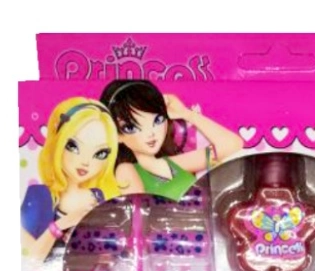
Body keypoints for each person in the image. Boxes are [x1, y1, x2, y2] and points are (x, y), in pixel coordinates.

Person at [100, 79, 243, 201]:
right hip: (168, 226)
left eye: (158, 120)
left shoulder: (175, 164)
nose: (151, 133)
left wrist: (187, 114)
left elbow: (232, 146)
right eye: (130, 127)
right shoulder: (126, 170)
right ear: (116, 135)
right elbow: (138, 213)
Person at [20, 98, 121, 261]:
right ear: (58, 141)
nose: (86, 162)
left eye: (100, 153)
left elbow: (110, 253)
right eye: (73, 146)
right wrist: (61, 225)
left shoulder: (98, 196)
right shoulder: (39, 196)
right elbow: (29, 258)